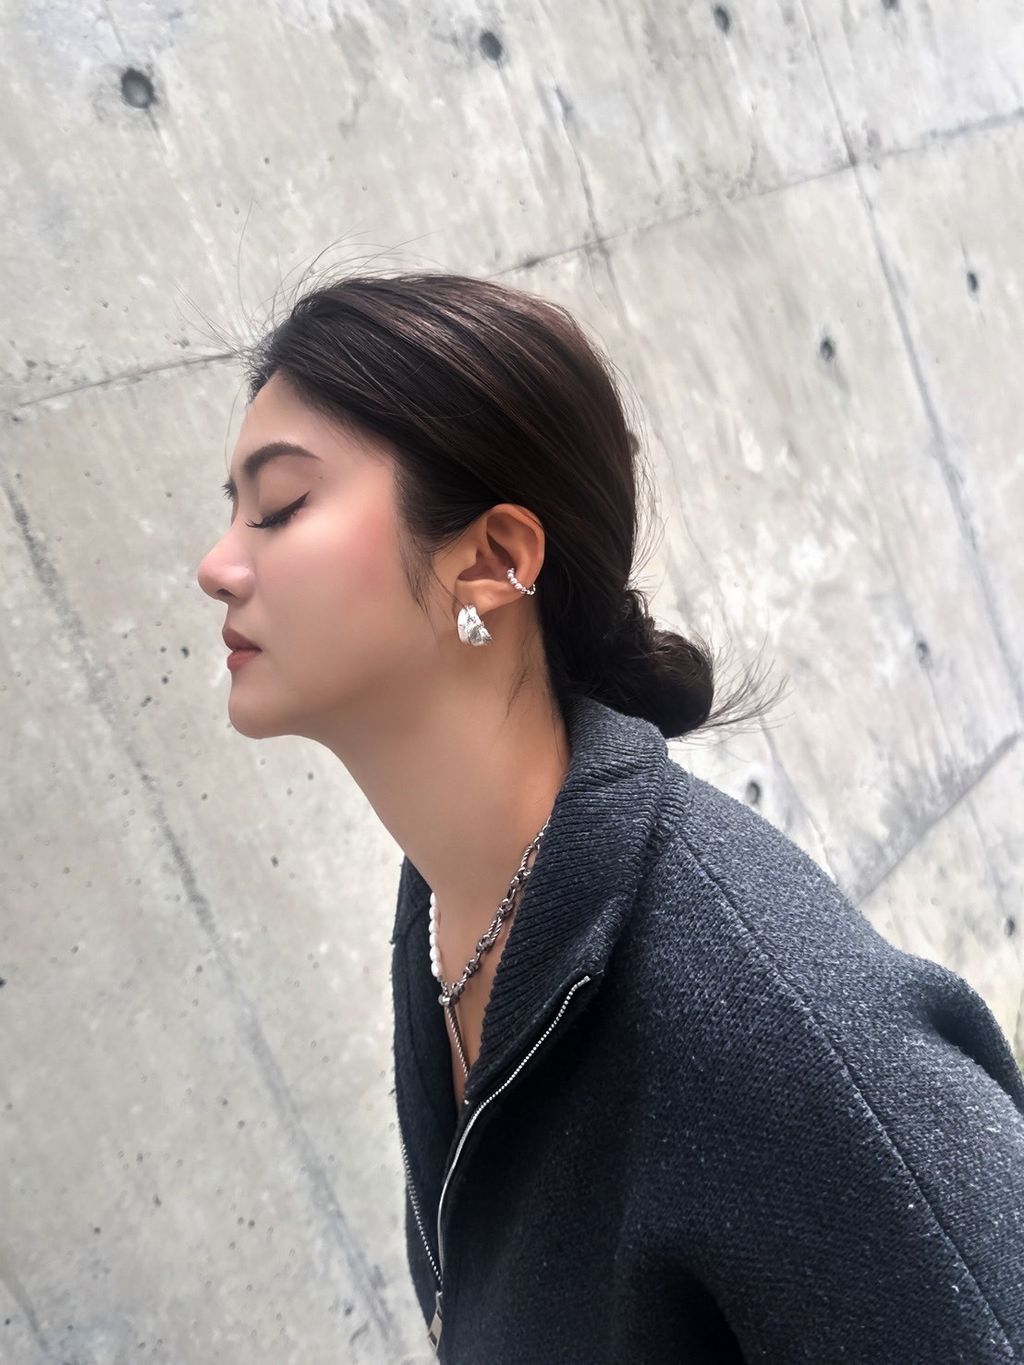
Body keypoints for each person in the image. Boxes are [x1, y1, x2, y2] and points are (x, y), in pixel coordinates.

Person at [197, 270, 1024, 1363]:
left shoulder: (774, 1027)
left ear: (492, 561)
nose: (217, 565)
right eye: (232, 510)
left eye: (279, 506)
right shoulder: (453, 910)